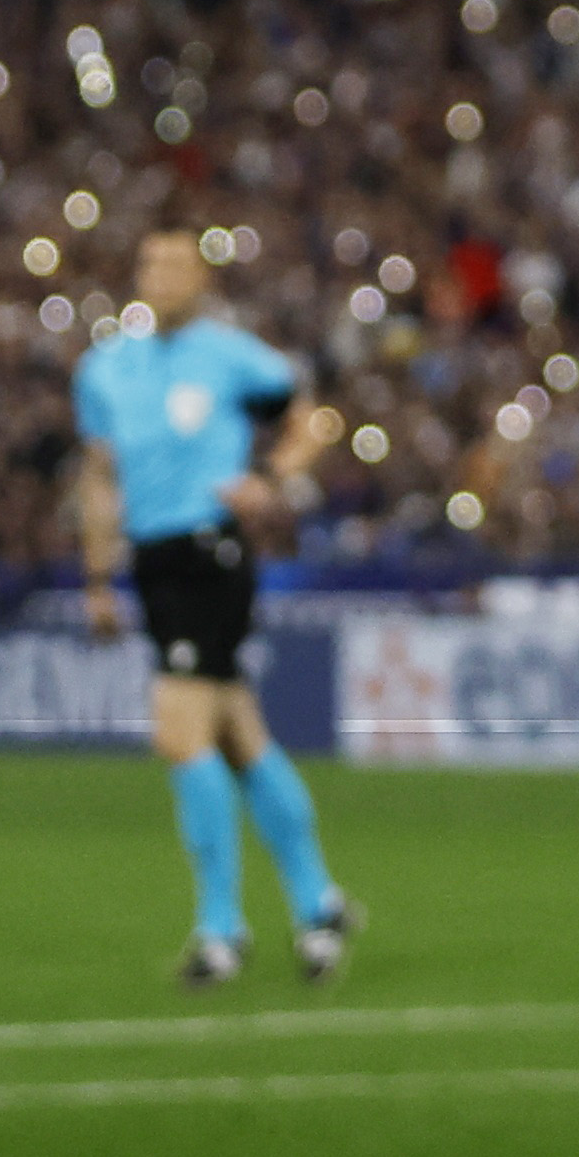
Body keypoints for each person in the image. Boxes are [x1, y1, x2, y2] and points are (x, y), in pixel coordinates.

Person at [75, 223, 358, 982]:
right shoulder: (105, 368)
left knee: (179, 736)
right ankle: (316, 902)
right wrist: (98, 575)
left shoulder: (233, 357)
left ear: (202, 280)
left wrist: (272, 481)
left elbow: (311, 421)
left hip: (211, 552)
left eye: (176, 263)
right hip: (150, 559)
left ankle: (219, 930)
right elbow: (99, 475)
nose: (161, 273)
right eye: (150, 260)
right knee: (236, 735)